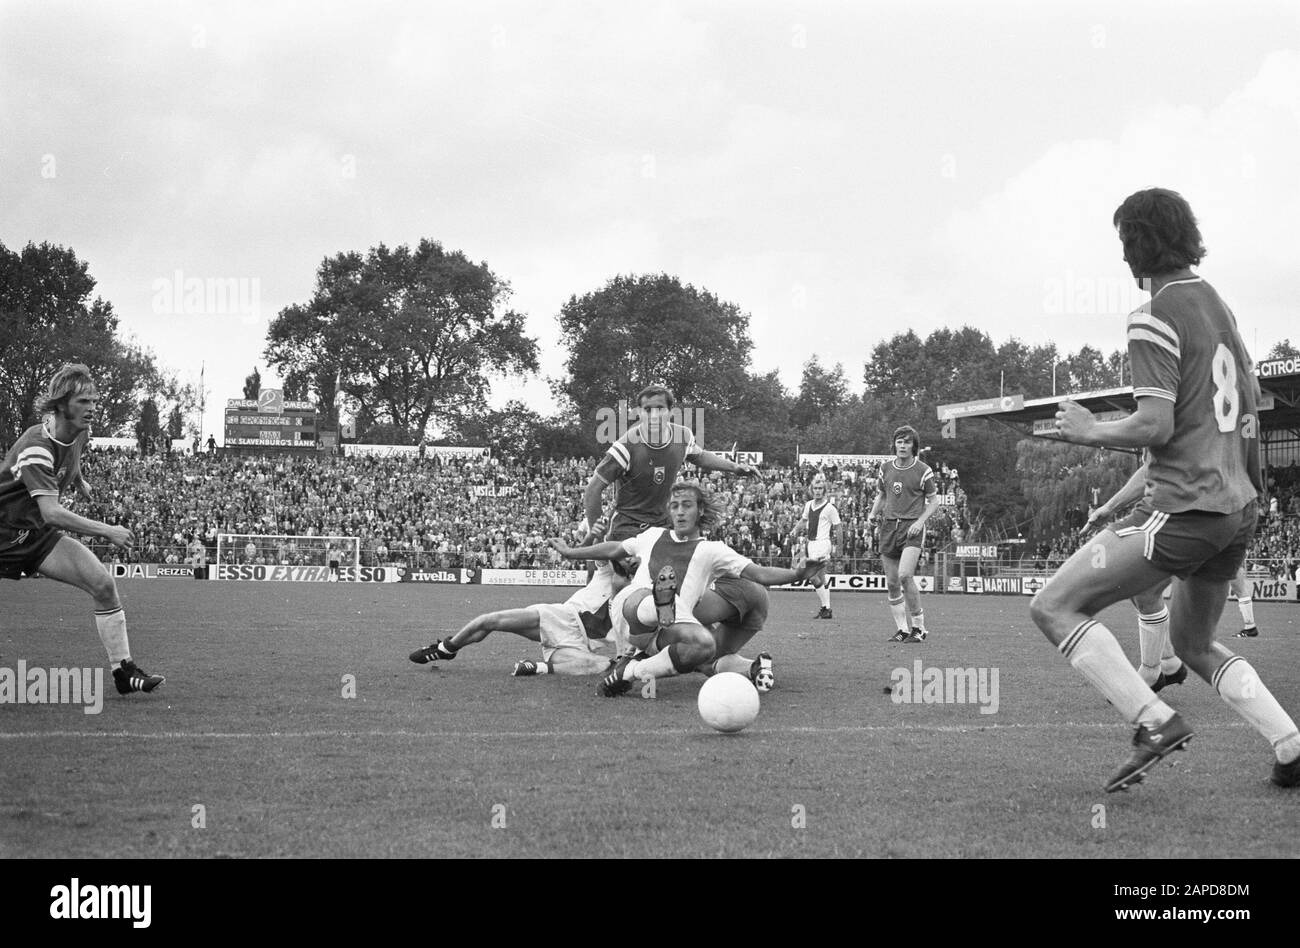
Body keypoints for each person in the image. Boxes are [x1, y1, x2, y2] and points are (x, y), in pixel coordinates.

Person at [1033, 187, 1299, 790]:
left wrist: (1088, 431)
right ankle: (1291, 746)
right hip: (1238, 505)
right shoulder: (1220, 308)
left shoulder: (1154, 315)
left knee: (1053, 605)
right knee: (1193, 641)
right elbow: (1251, 409)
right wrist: (1248, 490)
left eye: (1124, 240)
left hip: (1185, 506)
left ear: (1139, 243)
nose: (1122, 256)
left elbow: (1156, 425)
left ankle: (1154, 721)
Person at [551, 481, 823, 696]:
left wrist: (797, 573)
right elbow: (615, 548)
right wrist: (573, 552)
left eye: (687, 506)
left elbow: (759, 574)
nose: (680, 512)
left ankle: (632, 671)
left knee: (703, 646)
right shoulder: (653, 535)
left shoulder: (712, 550)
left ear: (700, 510)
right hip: (631, 613)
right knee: (640, 597)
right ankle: (659, 603)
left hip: (667, 628)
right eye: (675, 506)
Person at [580, 384, 774, 680]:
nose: (654, 414)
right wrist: (597, 531)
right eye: (647, 410)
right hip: (628, 527)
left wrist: (734, 468)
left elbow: (699, 456)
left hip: (663, 526)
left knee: (676, 587)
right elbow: (594, 488)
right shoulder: (626, 445)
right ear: (639, 414)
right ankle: (625, 657)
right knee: (627, 584)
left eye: (660, 408)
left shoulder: (682, 436)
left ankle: (687, 647)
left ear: (670, 411)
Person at [0, 364, 164, 695]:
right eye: (83, 401)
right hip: (4, 534)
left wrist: (78, 479)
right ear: (60, 405)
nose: (92, 408)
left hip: (35, 535)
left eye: (93, 400)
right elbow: (53, 513)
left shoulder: (78, 430)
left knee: (103, 584)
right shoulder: (35, 445)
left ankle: (124, 672)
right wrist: (108, 531)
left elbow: (69, 457)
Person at [407, 561, 634, 676]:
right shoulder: (608, 570)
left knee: (603, 665)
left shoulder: (637, 597)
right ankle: (447, 648)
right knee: (491, 620)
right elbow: (607, 541)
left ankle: (536, 668)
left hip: (580, 644)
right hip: (560, 617)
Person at [867, 425, 940, 642]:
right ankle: (903, 629)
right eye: (899, 441)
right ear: (894, 444)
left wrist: (920, 522)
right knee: (891, 582)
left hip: (912, 527)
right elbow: (881, 494)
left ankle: (919, 628)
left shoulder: (923, 470)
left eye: (907, 442)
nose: (902, 445)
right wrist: (872, 513)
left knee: (905, 575)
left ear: (913, 446)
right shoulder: (885, 468)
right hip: (889, 526)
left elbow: (934, 501)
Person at [789, 472, 841, 618]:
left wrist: (840, 548)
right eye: (815, 488)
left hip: (823, 544)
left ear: (824, 491)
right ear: (812, 490)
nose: (817, 491)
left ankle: (826, 608)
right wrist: (795, 529)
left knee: (812, 576)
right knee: (821, 578)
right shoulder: (808, 505)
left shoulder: (830, 508)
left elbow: (838, 527)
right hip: (811, 544)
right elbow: (804, 520)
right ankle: (826, 608)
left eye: (820, 488)